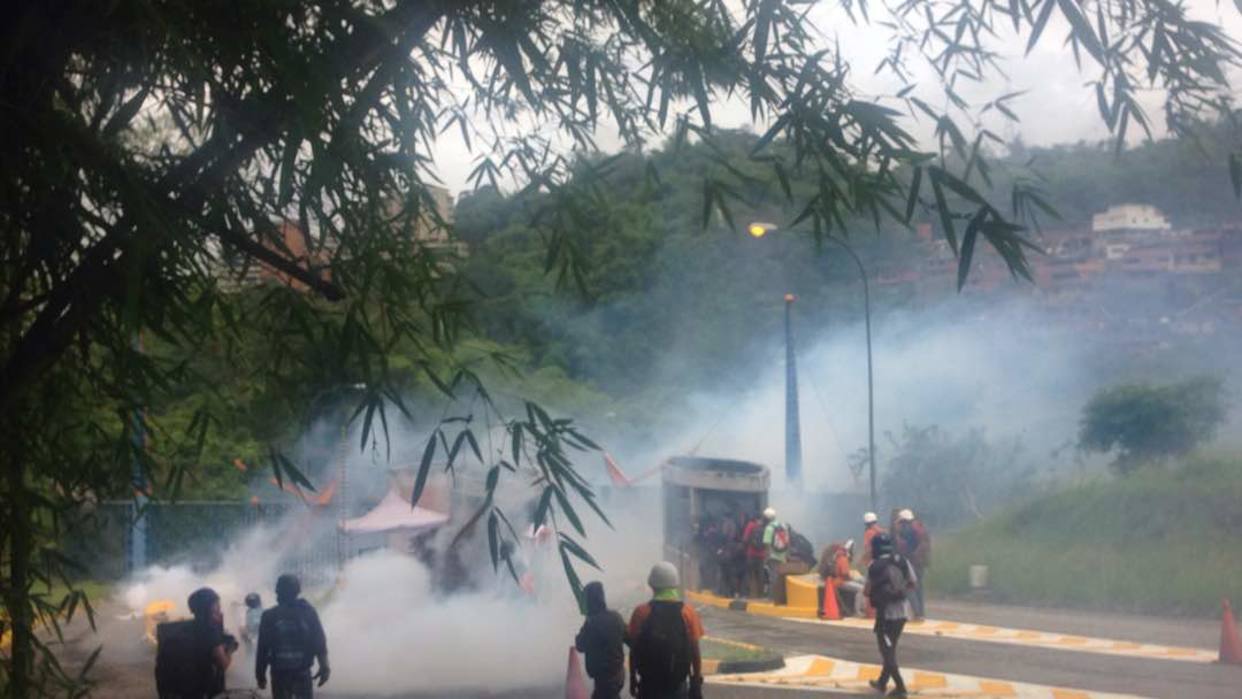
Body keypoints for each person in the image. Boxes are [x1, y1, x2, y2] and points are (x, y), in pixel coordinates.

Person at [627, 562, 705, 699]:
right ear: (675, 583)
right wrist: (696, 681)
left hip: (649, 685)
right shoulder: (687, 612)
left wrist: (633, 678)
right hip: (678, 685)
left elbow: (634, 650)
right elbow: (695, 651)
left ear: (652, 584)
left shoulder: (641, 612)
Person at [155, 587, 238, 699]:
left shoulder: (178, 631)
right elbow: (223, 664)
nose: (219, 610)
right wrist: (230, 649)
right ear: (210, 608)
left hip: (177, 692)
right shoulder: (210, 631)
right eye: (217, 606)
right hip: (200, 692)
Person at [256, 574, 330, 699]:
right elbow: (319, 642)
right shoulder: (308, 612)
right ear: (297, 591)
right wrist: (324, 666)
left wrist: (260, 675)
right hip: (302, 672)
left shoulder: (269, 616)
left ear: (278, 592)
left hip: (280, 674)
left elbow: (262, 649)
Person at [864, 533, 917, 698]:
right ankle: (882, 683)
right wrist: (899, 591)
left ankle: (900, 687)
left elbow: (867, 591)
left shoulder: (874, 566)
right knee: (891, 647)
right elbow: (913, 582)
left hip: (885, 614)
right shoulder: (902, 561)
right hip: (903, 612)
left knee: (886, 651)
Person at [576, 581, 627, 699]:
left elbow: (580, 645)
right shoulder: (616, 617)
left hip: (603, 678)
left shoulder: (592, 623)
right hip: (618, 675)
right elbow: (629, 638)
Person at [895, 508, 931, 620]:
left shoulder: (907, 529)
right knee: (919, 588)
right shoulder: (920, 527)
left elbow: (904, 546)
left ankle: (917, 613)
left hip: (911, 562)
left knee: (909, 587)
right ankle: (921, 613)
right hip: (921, 563)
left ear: (904, 520)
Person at [761, 507, 791, 603]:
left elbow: (767, 544)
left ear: (767, 518)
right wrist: (786, 554)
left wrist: (766, 557)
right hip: (782, 555)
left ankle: (772, 597)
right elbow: (787, 542)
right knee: (780, 577)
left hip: (773, 556)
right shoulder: (783, 526)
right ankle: (781, 596)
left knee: (773, 577)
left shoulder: (769, 528)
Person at [741, 512, 767, 598]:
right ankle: (761, 594)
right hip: (762, 554)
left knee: (749, 574)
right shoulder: (764, 527)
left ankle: (747, 594)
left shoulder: (751, 525)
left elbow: (745, 539)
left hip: (751, 554)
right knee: (760, 574)